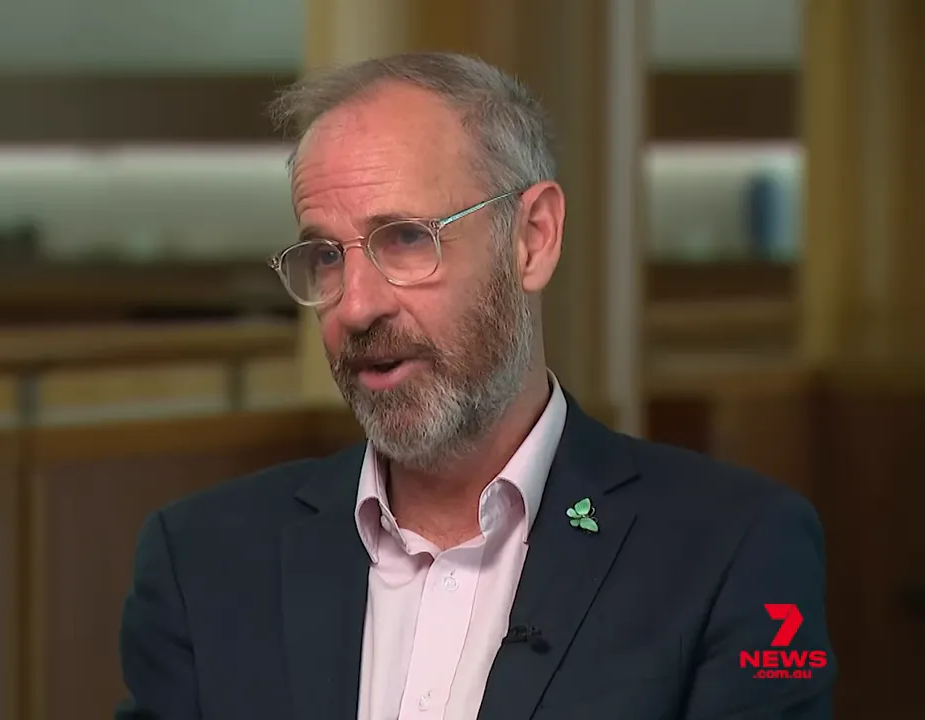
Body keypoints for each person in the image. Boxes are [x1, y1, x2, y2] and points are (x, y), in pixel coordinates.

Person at [116, 53, 835, 720]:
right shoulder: (202, 560)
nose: (357, 305)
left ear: (532, 239)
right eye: (326, 256)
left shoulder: (732, 550)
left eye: (404, 238)